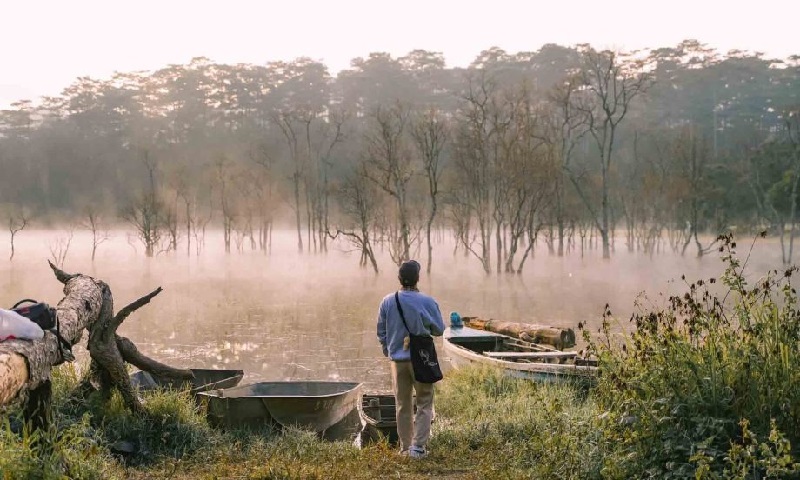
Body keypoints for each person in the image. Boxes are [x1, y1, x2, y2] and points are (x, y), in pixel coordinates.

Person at [377, 259, 445, 459]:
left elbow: (381, 332)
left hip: (397, 362)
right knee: (424, 402)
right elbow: (439, 330)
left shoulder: (387, 301)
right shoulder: (428, 301)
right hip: (421, 360)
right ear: (418, 278)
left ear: (399, 278)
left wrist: (389, 350)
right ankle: (418, 448)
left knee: (402, 404)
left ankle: (405, 448)